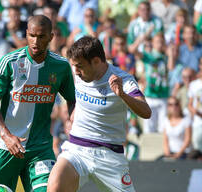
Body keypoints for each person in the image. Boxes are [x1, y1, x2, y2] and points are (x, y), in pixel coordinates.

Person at [0, 15, 76, 192]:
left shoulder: (61, 66)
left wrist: (72, 119)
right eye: (32, 35)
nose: (35, 41)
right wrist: (6, 136)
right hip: (6, 146)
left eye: (41, 36)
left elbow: (72, 99)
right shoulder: (9, 62)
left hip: (40, 148)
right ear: (26, 34)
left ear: (51, 37)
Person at [47, 36, 151, 192]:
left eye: (80, 66)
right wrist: (73, 111)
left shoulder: (123, 80)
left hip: (109, 155)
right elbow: (69, 92)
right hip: (77, 149)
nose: (76, 72)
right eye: (74, 66)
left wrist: (122, 95)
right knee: (55, 184)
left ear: (96, 61)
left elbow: (146, 111)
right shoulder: (79, 73)